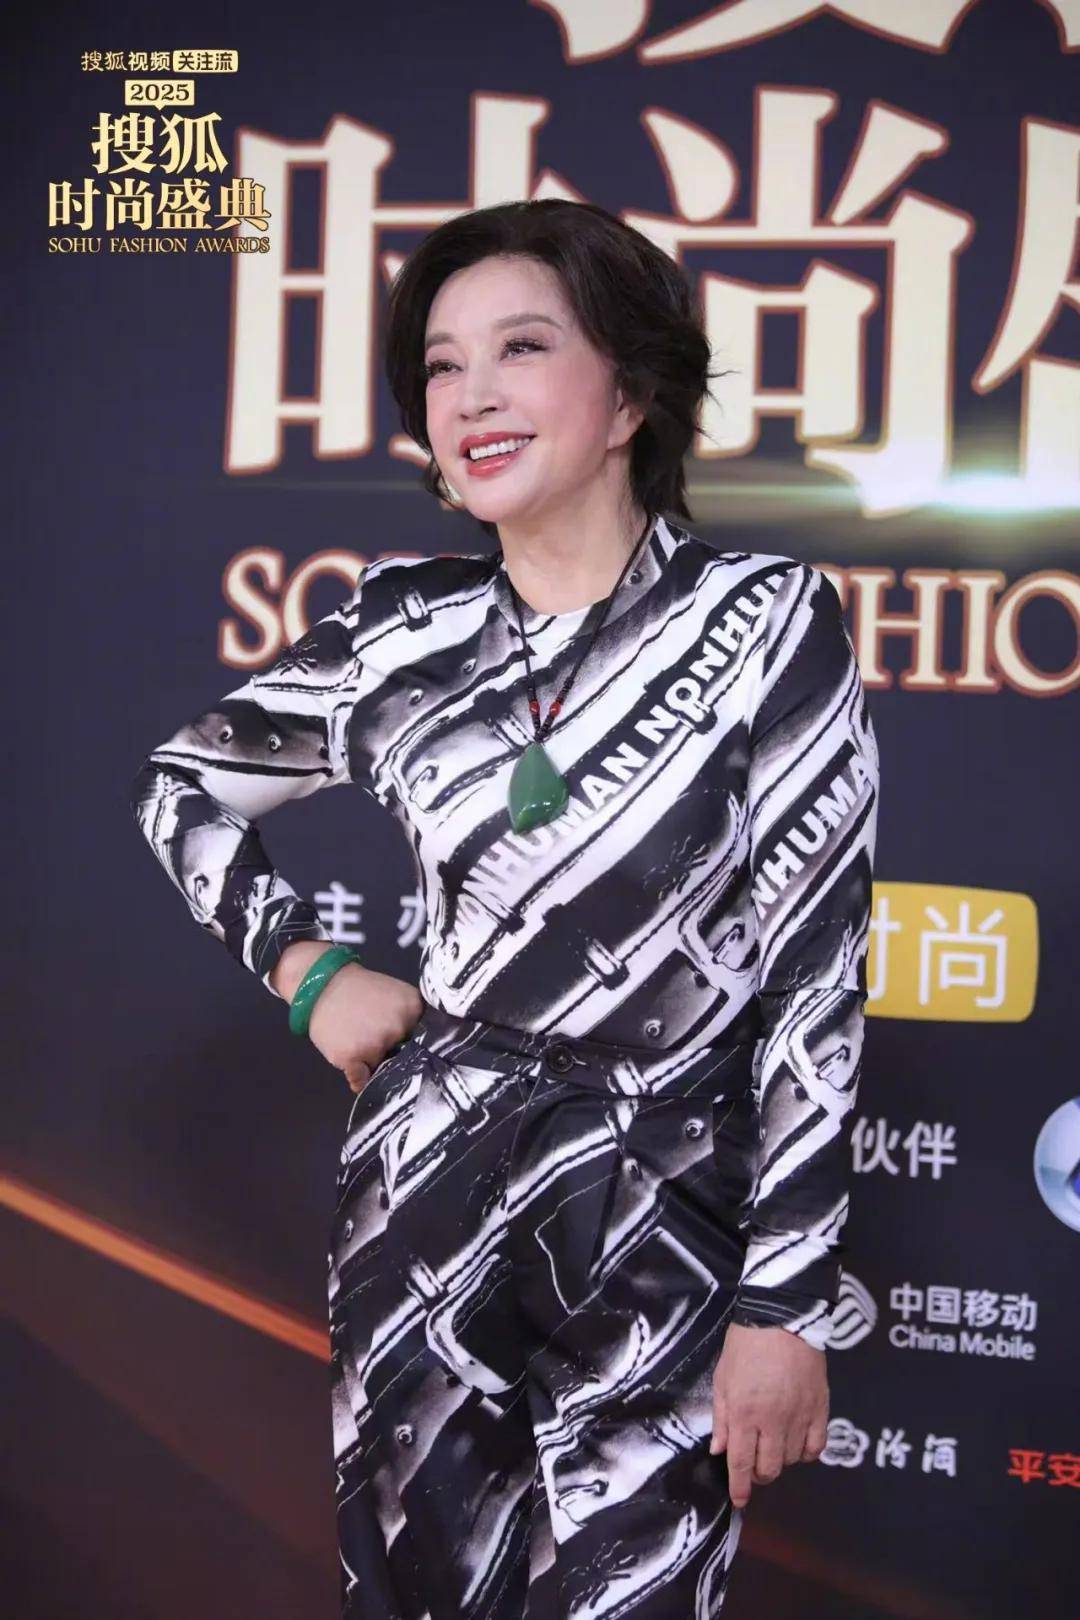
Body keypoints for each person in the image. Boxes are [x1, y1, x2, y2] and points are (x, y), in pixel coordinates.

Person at [130, 198, 879, 1619]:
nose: (471, 395)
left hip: (669, 1210)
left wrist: (783, 1301)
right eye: (442, 365)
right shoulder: (402, 627)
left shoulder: (767, 619)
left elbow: (816, 978)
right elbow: (182, 790)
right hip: (426, 1191)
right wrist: (305, 970)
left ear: (631, 395)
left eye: (521, 349)